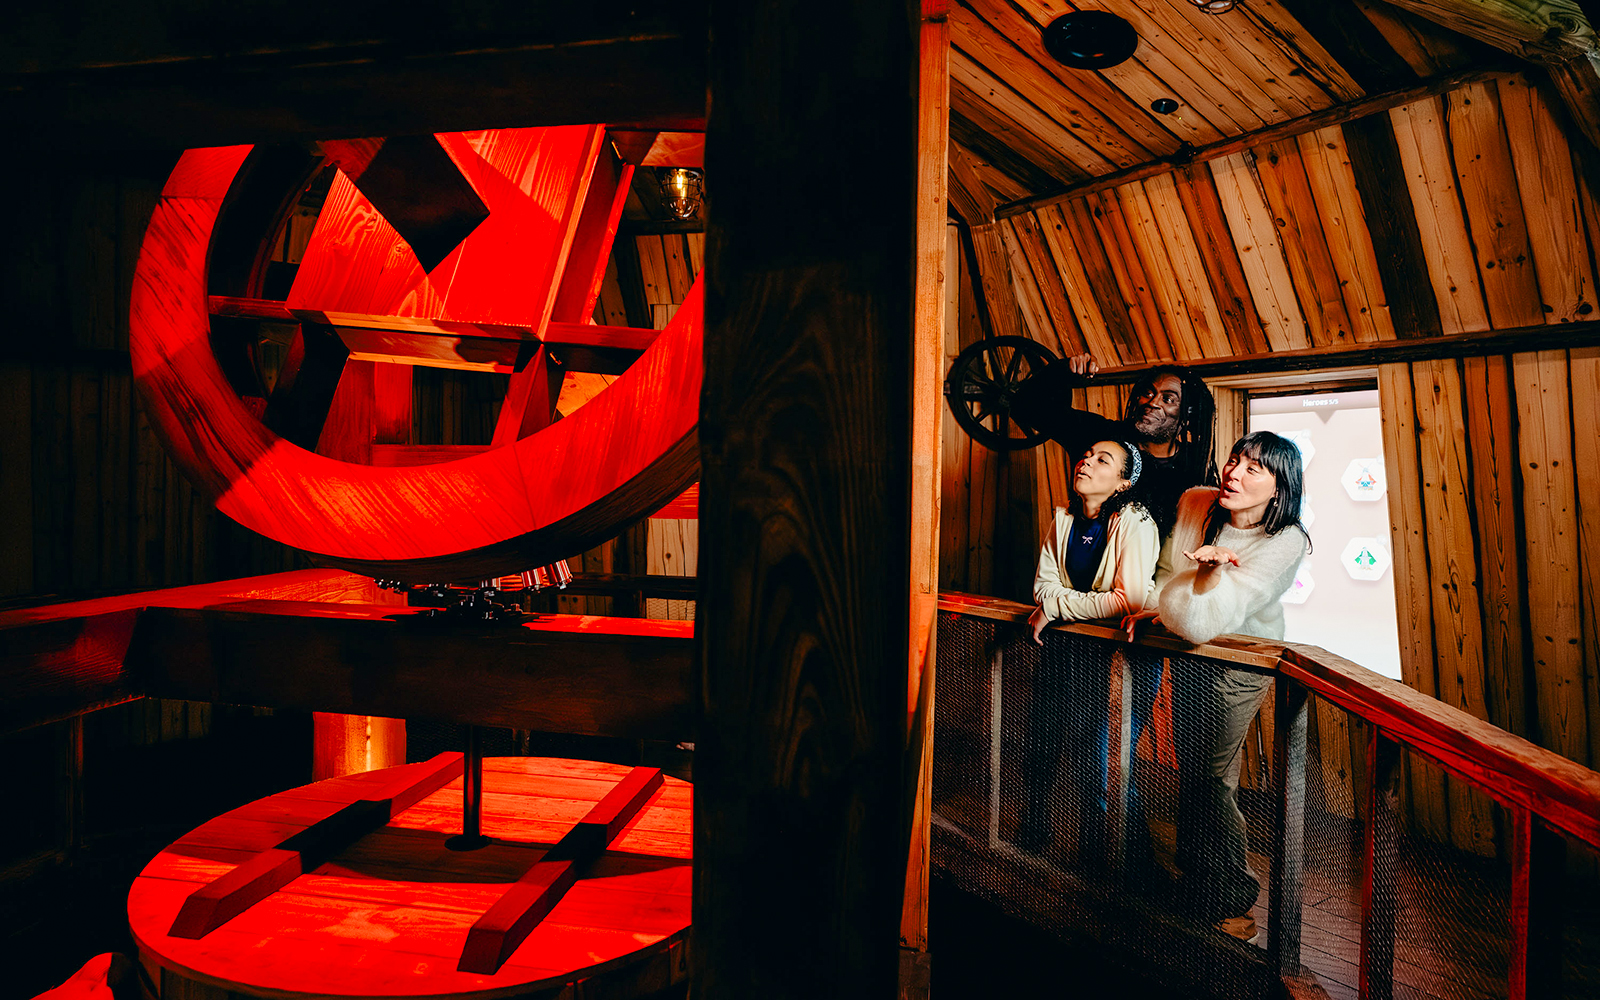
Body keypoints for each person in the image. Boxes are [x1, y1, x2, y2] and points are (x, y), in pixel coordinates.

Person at [1123, 431, 1311, 942]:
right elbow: (1165, 577)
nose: (1235, 473)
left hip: (1237, 664)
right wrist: (1158, 605)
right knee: (1195, 774)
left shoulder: (1287, 539)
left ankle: (1232, 894)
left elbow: (1209, 619)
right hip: (1183, 653)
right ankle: (1199, 880)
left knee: (1211, 778)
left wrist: (1204, 580)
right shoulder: (1196, 503)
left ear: (1280, 487)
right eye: (1235, 460)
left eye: (1255, 469)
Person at [1014, 439, 1159, 855]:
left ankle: (1102, 856)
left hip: (1112, 661)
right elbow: (1042, 588)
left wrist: (1058, 607)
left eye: (1102, 459)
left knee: (1094, 759)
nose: (1086, 461)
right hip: (1061, 652)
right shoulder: (1063, 518)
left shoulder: (1135, 521)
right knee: (1041, 741)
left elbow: (1128, 599)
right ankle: (1034, 832)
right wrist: (1057, 607)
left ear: (1123, 482)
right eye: (1086, 454)